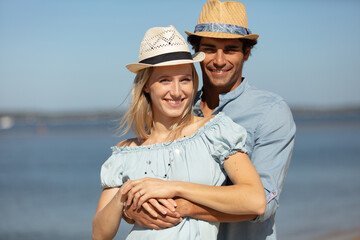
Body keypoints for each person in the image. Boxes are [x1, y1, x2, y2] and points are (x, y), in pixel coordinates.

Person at [124, 1, 296, 240]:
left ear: (246, 52)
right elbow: (148, 176)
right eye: (210, 48)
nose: (219, 60)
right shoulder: (178, 106)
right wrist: (131, 211)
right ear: (196, 51)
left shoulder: (270, 112)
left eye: (231, 49)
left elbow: (264, 204)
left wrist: (183, 206)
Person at [92, 25, 266, 240]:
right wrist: (122, 197)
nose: (176, 92)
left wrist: (173, 188)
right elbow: (100, 234)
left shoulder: (214, 132)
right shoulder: (125, 152)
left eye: (185, 79)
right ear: (146, 86)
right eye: (164, 80)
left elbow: (256, 201)